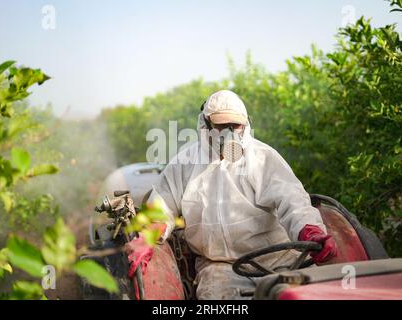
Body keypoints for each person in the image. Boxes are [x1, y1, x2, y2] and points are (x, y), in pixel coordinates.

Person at [126, 90, 337, 299]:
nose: (229, 133)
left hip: (278, 260)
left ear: (245, 125)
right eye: (220, 126)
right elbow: (162, 205)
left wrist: (309, 230)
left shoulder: (263, 158)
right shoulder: (184, 163)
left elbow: (292, 200)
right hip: (220, 267)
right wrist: (149, 234)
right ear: (205, 125)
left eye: (234, 126)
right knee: (215, 297)